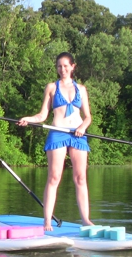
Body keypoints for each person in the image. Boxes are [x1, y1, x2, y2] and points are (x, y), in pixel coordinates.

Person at [18, 52, 93, 231]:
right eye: (59, 66)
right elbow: (43, 115)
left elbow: (88, 117)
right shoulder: (52, 87)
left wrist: (83, 126)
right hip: (57, 133)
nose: (62, 69)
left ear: (73, 66)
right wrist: (28, 119)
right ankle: (46, 221)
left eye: (66, 66)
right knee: (54, 177)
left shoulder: (81, 89)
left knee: (81, 178)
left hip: (78, 134)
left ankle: (86, 220)